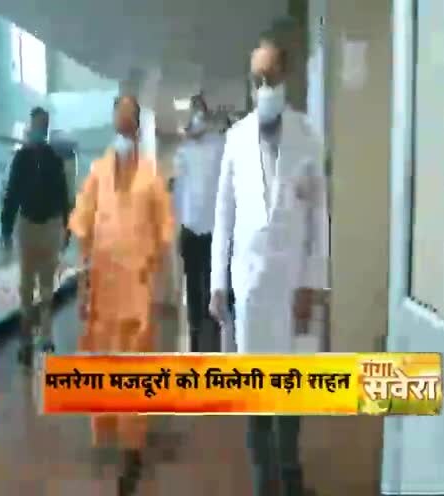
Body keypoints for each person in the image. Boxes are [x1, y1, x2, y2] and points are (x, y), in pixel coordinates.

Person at [209, 38, 327, 495]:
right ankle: (265, 483)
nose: (264, 86)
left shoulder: (308, 137)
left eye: (271, 77)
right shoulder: (235, 138)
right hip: (250, 288)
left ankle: (291, 477)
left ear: (286, 77)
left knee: (291, 393)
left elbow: (319, 217)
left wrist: (313, 283)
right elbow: (223, 215)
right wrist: (218, 283)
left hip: (293, 285)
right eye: (257, 79)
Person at [69, 95, 174, 496]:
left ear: (138, 127)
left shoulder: (151, 176)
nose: (125, 127)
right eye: (120, 120)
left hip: (137, 291)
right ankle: (114, 434)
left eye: (131, 122)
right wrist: (83, 285)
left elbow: (165, 230)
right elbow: (83, 228)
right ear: (114, 122)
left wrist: (156, 277)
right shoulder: (97, 173)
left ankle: (132, 449)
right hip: (103, 290)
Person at [1, 107, 70, 366]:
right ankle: (26, 339)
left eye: (42, 125)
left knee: (47, 287)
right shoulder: (21, 159)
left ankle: (46, 336)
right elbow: (12, 194)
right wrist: (6, 227)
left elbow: (63, 196)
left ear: (46, 128)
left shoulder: (54, 159)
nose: (38, 130)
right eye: (36, 125)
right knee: (27, 287)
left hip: (50, 226)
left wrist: (67, 227)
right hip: (28, 225)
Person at [173, 94, 225, 352]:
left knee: (212, 286)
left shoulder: (220, 145)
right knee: (193, 286)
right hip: (190, 229)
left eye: (200, 111)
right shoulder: (183, 151)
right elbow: (179, 192)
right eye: (193, 112)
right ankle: (195, 339)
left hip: (214, 229)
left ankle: (213, 339)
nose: (196, 117)